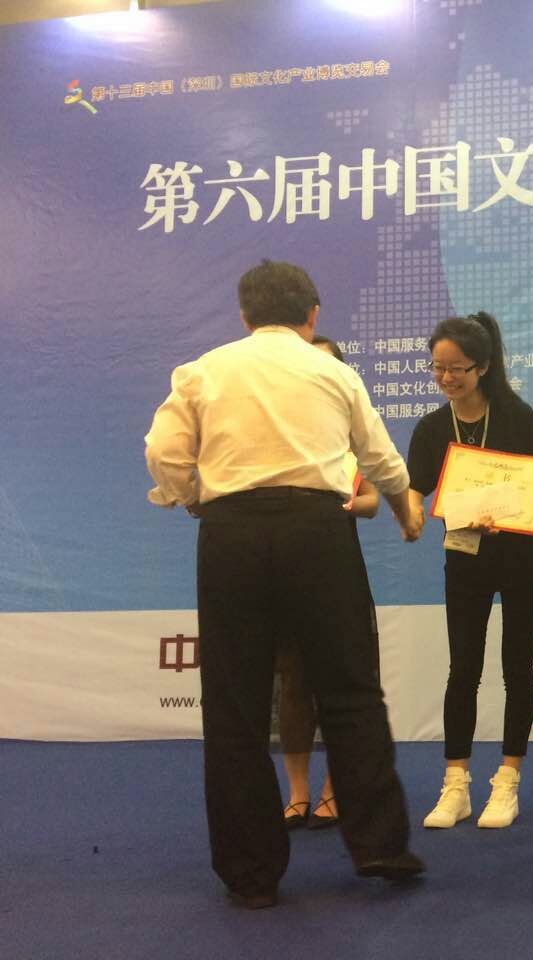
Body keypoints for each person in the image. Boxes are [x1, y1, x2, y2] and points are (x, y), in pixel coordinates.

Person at [144, 259, 425, 908]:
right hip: (317, 533)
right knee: (350, 689)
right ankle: (380, 846)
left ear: (244, 314)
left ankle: (251, 875)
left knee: (235, 707)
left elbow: (163, 451)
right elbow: (379, 455)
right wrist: (404, 507)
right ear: (312, 315)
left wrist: (191, 496)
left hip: (233, 535)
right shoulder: (333, 371)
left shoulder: (203, 370)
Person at [406, 312, 533, 831]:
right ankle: (456, 784)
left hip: (521, 559)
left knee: (518, 668)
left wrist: (509, 509)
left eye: (458, 369)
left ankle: (507, 781)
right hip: (465, 560)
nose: (447, 378)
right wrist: (412, 512)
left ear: (483, 367)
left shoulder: (516, 416)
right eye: (438, 368)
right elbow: (415, 487)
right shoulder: (432, 428)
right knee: (462, 669)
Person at [277, 335, 382, 831]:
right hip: (286, 568)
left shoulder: (351, 436)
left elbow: (373, 500)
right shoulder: (278, 435)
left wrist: (348, 505)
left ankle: (334, 790)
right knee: (293, 682)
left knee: (342, 681)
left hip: (339, 567)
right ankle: (298, 792)